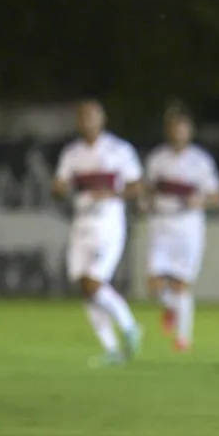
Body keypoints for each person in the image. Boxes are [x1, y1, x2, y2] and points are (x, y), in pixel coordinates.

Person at [53, 100, 144, 366]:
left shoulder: (119, 150)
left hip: (109, 223)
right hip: (81, 222)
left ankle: (130, 326)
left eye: (92, 116)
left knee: (94, 281)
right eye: (83, 116)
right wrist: (59, 188)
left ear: (102, 119)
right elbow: (60, 184)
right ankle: (112, 348)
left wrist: (114, 193)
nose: (87, 121)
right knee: (84, 287)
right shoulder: (72, 154)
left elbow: (137, 186)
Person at [143, 101, 219, 351]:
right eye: (174, 128)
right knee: (154, 281)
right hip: (161, 222)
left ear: (190, 131)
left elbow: (217, 196)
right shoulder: (157, 158)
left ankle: (183, 338)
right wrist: (146, 203)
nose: (179, 132)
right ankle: (170, 307)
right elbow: (148, 189)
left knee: (181, 283)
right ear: (168, 130)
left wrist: (199, 200)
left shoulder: (200, 161)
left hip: (188, 224)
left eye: (183, 128)